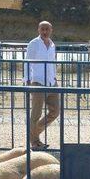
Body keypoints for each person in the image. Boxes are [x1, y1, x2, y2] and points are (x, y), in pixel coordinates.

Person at [24, 21, 59, 151]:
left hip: (51, 81)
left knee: (55, 111)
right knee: (36, 113)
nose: (45, 31)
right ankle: (34, 141)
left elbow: (53, 62)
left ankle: (33, 133)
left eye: (47, 29)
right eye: (42, 29)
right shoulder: (34, 43)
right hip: (38, 81)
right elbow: (27, 62)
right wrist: (27, 80)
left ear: (51, 30)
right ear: (38, 30)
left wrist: (55, 77)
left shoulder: (52, 44)